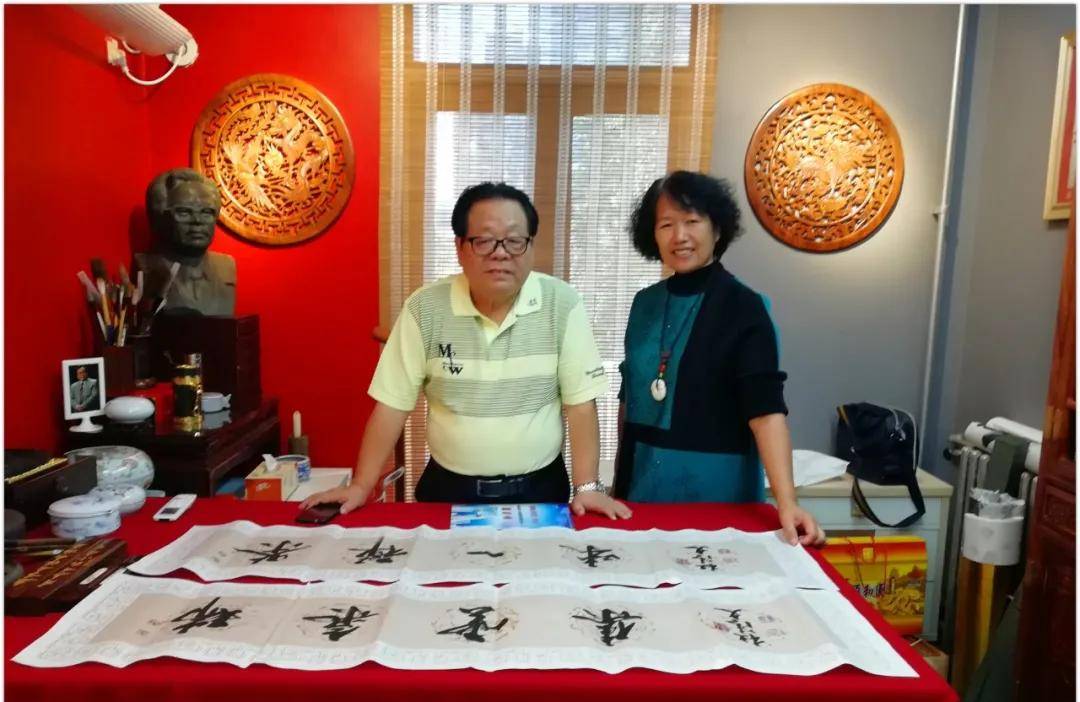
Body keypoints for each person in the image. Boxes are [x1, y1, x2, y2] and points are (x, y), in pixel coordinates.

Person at [302, 182, 631, 519]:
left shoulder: (562, 304)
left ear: (531, 246)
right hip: (448, 490)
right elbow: (392, 406)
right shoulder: (424, 308)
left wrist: (587, 486)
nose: (500, 253)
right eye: (484, 240)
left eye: (515, 240)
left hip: (540, 491)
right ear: (460, 247)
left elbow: (580, 405)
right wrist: (361, 485)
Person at [615, 170, 824, 546]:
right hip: (641, 489)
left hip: (717, 492)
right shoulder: (643, 305)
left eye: (692, 221)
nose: (679, 236)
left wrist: (787, 501)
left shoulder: (745, 307)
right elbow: (628, 401)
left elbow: (766, 413)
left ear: (717, 228)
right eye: (666, 225)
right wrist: (618, 485)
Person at [135, 168, 236, 316]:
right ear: (160, 218)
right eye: (184, 212)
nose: (197, 220)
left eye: (207, 212)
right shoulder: (148, 268)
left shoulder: (226, 267)